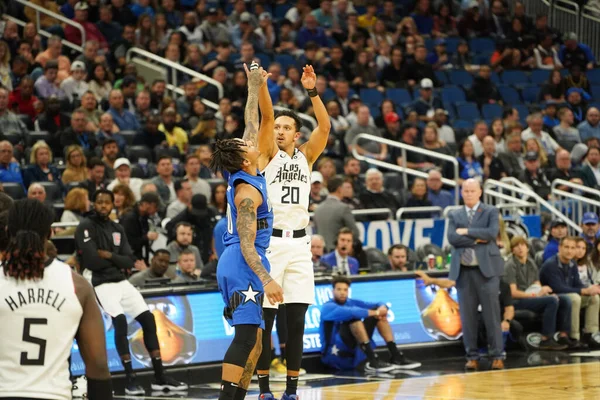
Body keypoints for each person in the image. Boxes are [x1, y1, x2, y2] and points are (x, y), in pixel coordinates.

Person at [254, 64, 331, 400]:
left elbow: (325, 127)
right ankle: (263, 390)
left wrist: (312, 91)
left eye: (288, 127)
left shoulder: (307, 157)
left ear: (297, 134)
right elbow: (266, 117)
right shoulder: (266, 153)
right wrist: (260, 86)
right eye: (279, 127)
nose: (281, 130)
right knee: (266, 322)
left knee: (296, 321)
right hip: (271, 243)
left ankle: (292, 391)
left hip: (300, 246)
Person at [210, 66, 283, 400]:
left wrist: (255, 82)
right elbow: (246, 243)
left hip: (238, 260)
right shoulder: (247, 195)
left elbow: (252, 119)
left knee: (255, 340)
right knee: (244, 338)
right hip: (242, 261)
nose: (248, 140)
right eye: (244, 144)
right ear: (243, 158)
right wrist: (266, 279)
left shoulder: (247, 166)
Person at [75, 189, 187, 394]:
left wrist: (108, 255)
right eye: (99, 202)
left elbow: (129, 259)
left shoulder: (117, 228)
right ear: (94, 204)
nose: (103, 206)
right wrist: (116, 261)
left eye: (106, 203)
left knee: (148, 319)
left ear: (112, 205)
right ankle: (129, 379)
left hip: (120, 280)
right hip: (98, 281)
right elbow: (91, 261)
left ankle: (159, 376)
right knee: (119, 321)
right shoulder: (85, 226)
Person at [0, 199, 113, 399]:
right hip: (54, 394)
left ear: (7, 231)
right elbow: (98, 364)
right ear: (50, 234)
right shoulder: (77, 285)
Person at [447, 179, 505, 370]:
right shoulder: (454, 214)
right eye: (466, 191)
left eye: (473, 190)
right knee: (468, 318)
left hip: (487, 272)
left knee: (492, 316)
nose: (469, 194)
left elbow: (491, 233)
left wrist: (467, 232)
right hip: (464, 272)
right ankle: (472, 356)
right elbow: (452, 238)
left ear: (480, 192)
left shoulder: (490, 211)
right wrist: (476, 239)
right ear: (461, 193)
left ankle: (497, 354)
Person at [320, 275, 421, 372]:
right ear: (332, 291)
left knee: (379, 317)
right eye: (339, 289)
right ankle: (372, 359)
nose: (342, 293)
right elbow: (352, 312)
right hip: (335, 354)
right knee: (354, 319)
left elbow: (378, 304)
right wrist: (377, 312)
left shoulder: (351, 302)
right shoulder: (328, 307)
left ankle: (396, 356)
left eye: (345, 290)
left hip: (353, 345)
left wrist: (382, 308)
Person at [503, 236, 573, 350]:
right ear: (512, 250)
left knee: (564, 299)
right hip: (517, 301)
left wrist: (544, 293)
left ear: (528, 248)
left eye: (523, 245)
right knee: (551, 301)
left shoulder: (531, 263)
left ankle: (563, 335)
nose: (520, 248)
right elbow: (513, 293)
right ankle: (546, 339)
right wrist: (535, 295)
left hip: (531, 297)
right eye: (516, 246)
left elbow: (536, 284)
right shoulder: (510, 265)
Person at [540, 237, 600, 346]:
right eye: (566, 247)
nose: (569, 251)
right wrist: (583, 290)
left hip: (568, 293)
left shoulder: (572, 263)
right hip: (553, 296)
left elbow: (577, 283)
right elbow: (558, 288)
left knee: (594, 297)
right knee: (575, 298)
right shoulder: (551, 264)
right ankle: (573, 337)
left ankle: (590, 334)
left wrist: (589, 289)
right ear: (559, 248)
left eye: (572, 248)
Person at [314, 176, 360, 251]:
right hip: (338, 252)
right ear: (339, 189)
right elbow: (355, 233)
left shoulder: (318, 209)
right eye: (343, 187)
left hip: (322, 252)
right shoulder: (343, 208)